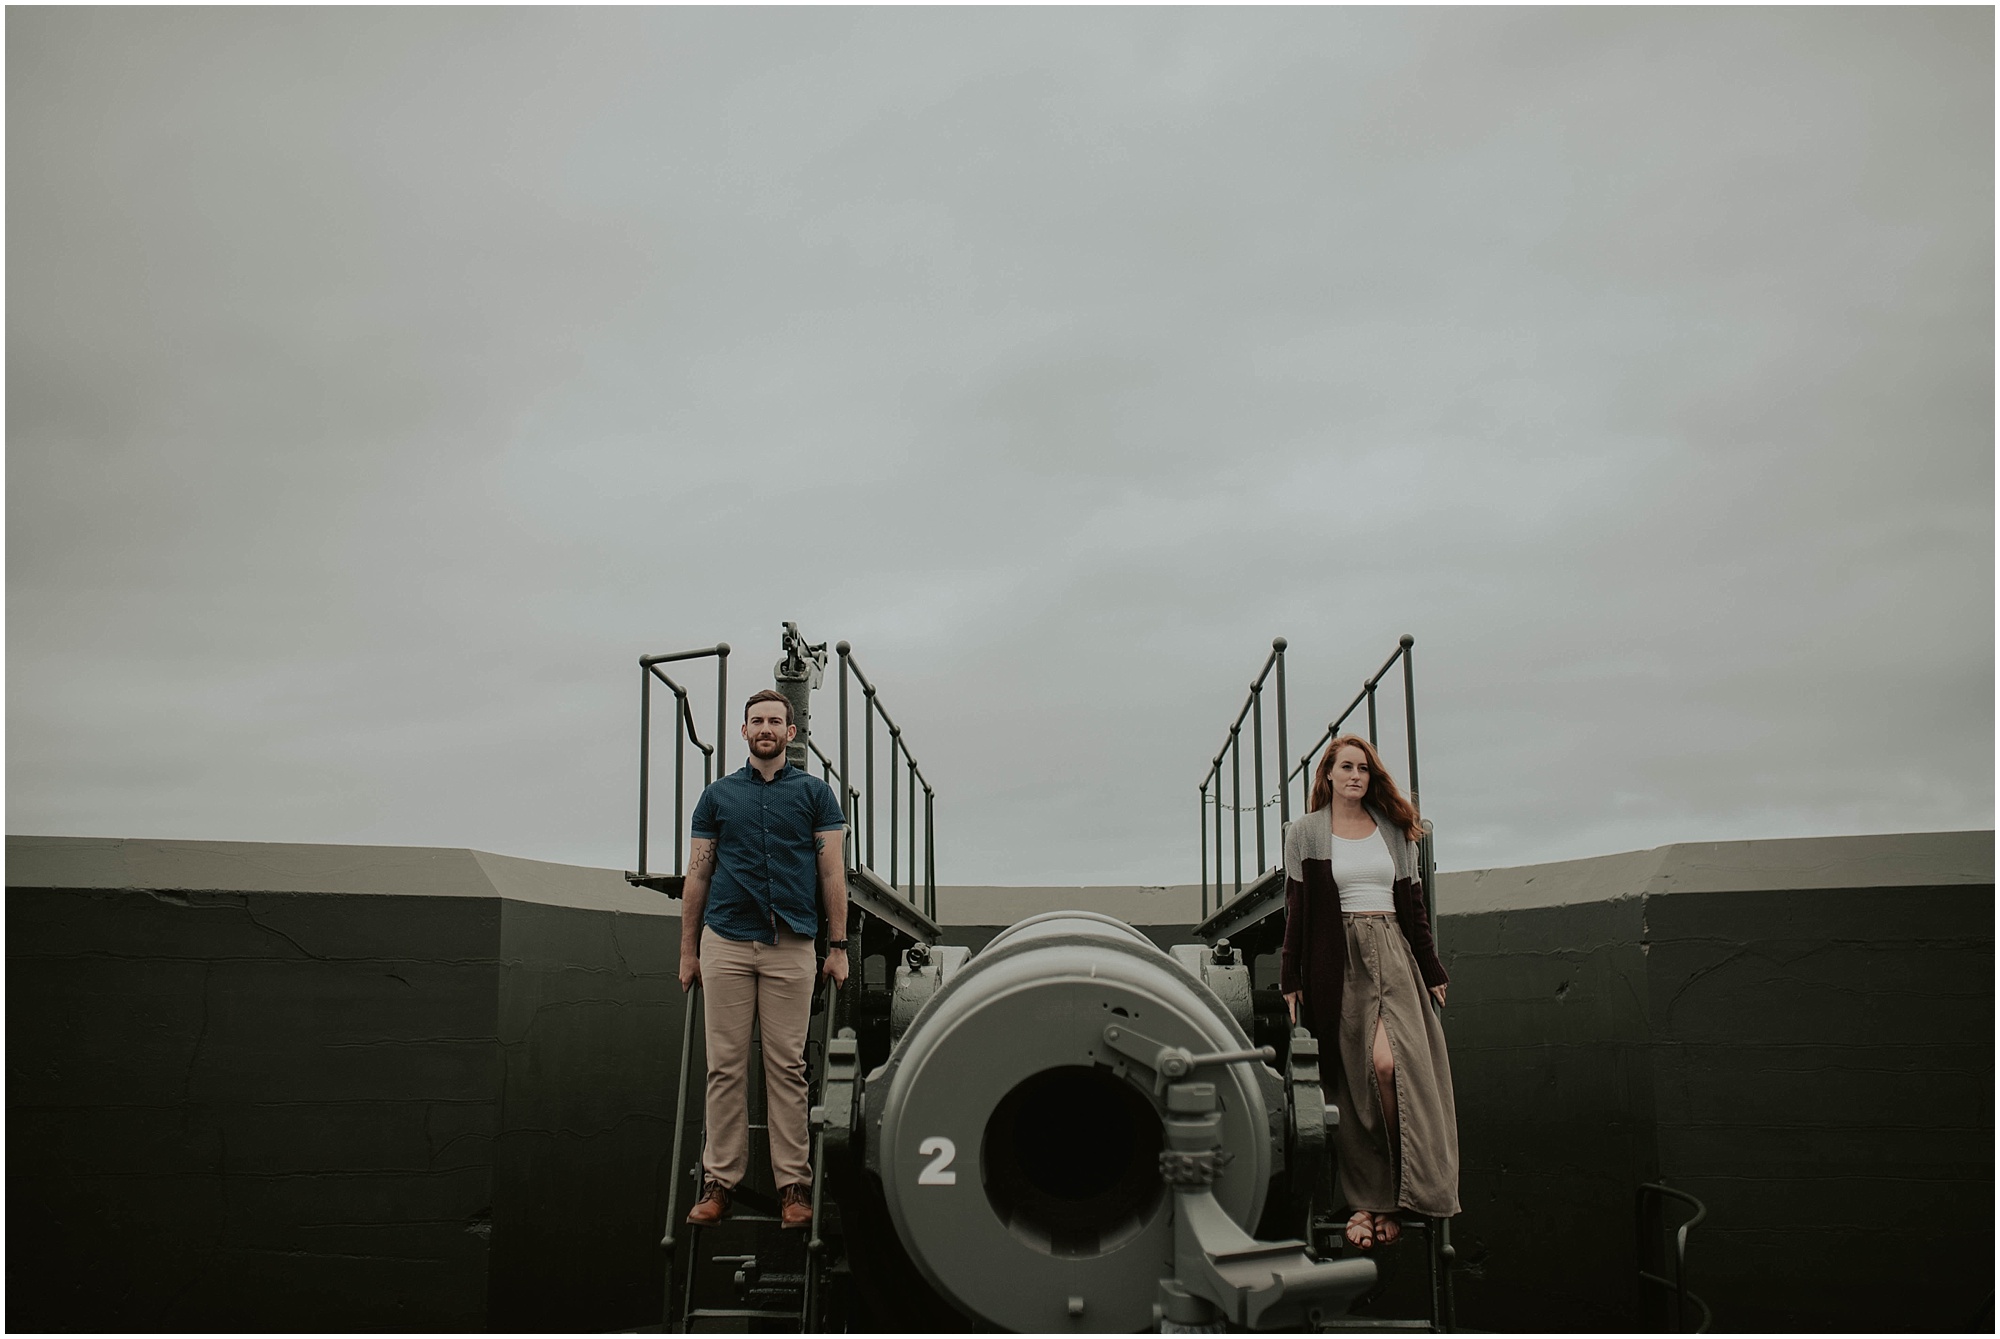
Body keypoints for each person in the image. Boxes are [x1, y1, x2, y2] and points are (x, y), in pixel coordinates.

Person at [679, 689, 850, 1230]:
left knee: (787, 1068)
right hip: (726, 940)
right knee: (724, 1066)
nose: (766, 728)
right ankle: (719, 1182)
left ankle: (792, 1187)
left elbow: (831, 874)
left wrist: (839, 947)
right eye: (757, 720)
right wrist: (688, 951)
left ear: (791, 732)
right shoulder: (716, 797)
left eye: (776, 720)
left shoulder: (817, 795)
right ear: (745, 730)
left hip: (792, 944)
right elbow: (698, 875)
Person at [1280, 734, 1458, 1251]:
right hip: (1340, 959)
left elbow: (1412, 906)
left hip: (1394, 952)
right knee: (1355, 1081)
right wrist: (1290, 977)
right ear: (1328, 775)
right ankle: (1369, 1201)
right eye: (1347, 768)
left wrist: (1431, 967)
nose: (1356, 776)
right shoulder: (1305, 833)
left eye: (1364, 769)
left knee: (1391, 1067)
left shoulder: (1395, 830)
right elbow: (1298, 911)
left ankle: (1407, 1191)